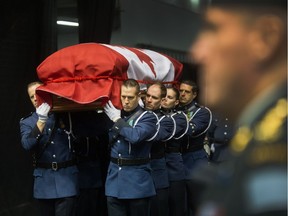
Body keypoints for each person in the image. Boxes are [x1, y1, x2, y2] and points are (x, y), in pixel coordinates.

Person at [190, 0, 287, 215]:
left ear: (266, 38)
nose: (197, 53)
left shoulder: (277, 145)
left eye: (213, 29)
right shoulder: (259, 131)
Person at [19, 81, 79, 216]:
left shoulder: (65, 115)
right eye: (31, 96)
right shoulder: (27, 121)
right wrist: (41, 121)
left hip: (66, 180)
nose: (35, 98)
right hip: (44, 182)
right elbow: (27, 144)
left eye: (38, 94)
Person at [103, 79, 159, 216]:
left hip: (137, 181)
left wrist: (117, 120)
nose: (126, 101)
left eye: (130, 97)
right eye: (123, 97)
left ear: (139, 96)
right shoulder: (114, 113)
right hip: (115, 179)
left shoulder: (148, 117)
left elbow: (135, 136)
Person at [177, 80, 212, 215]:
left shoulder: (202, 112)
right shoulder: (175, 110)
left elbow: (191, 131)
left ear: (194, 94)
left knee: (197, 203)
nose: (183, 94)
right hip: (178, 161)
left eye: (187, 92)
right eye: (181, 91)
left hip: (194, 161)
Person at [144, 82, 174, 216]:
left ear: (162, 100)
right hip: (138, 174)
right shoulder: (137, 115)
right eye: (147, 96)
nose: (149, 100)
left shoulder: (166, 120)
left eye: (154, 97)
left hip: (156, 172)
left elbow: (151, 136)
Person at [161, 86, 188, 216]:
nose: (165, 99)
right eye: (164, 96)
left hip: (173, 163)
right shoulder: (153, 114)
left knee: (176, 205)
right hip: (157, 163)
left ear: (176, 102)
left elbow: (166, 132)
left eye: (169, 97)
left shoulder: (180, 117)